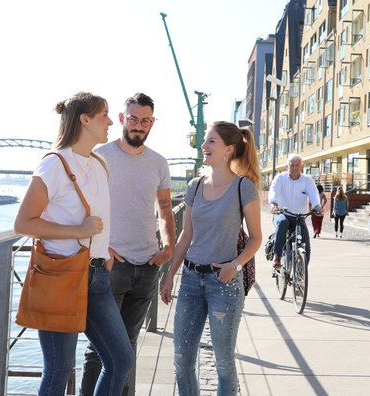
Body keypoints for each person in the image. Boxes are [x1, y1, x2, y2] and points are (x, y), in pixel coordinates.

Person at [13, 92, 134, 396]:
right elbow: (23, 223)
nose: (109, 121)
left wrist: (103, 249)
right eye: (104, 114)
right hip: (62, 278)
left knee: (121, 359)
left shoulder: (98, 164)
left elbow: (99, 217)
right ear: (85, 119)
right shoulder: (54, 165)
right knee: (59, 371)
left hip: (97, 278)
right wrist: (77, 230)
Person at [80, 93, 175, 396]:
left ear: (152, 123)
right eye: (133, 119)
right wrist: (101, 246)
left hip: (147, 266)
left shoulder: (159, 163)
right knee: (99, 350)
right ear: (122, 119)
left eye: (144, 120)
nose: (138, 125)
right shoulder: (98, 156)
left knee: (127, 346)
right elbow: (81, 207)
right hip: (110, 267)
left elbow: (164, 210)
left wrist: (168, 248)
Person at [159, 121, 262, 396]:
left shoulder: (244, 187)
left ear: (229, 149)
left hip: (224, 284)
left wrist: (235, 265)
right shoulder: (194, 186)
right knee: (181, 360)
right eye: (205, 141)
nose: (204, 146)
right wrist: (169, 276)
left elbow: (256, 238)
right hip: (191, 281)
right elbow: (186, 236)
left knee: (224, 363)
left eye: (211, 142)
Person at [268, 154, 322, 268]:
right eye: (292, 165)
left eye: (297, 165)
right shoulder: (280, 178)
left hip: (299, 217)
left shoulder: (307, 180)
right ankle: (277, 255)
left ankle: (300, 275)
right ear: (287, 166)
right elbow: (274, 190)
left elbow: (313, 193)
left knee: (306, 247)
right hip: (281, 214)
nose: (294, 167)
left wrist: (317, 206)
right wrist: (274, 204)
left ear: (302, 166)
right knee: (283, 223)